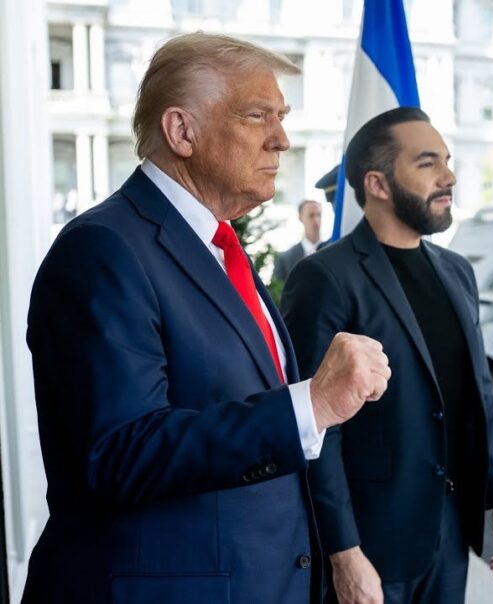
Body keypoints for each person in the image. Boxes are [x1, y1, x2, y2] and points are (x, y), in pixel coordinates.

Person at [23, 33, 391, 604]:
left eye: (282, 117)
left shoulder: (216, 246)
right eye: (258, 115)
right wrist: (311, 404)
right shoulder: (101, 248)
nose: (281, 139)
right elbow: (121, 453)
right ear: (181, 131)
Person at [281, 107, 493, 604]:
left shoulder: (457, 272)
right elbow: (317, 428)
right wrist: (344, 552)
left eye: (447, 161)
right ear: (378, 184)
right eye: (427, 163)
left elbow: (478, 394)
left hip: (450, 534)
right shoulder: (325, 277)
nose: (448, 177)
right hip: (372, 544)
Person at [273, 199, 323, 282]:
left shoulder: (332, 252)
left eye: (319, 215)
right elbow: (277, 288)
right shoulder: (285, 259)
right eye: (311, 215)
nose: (316, 220)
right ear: (300, 218)